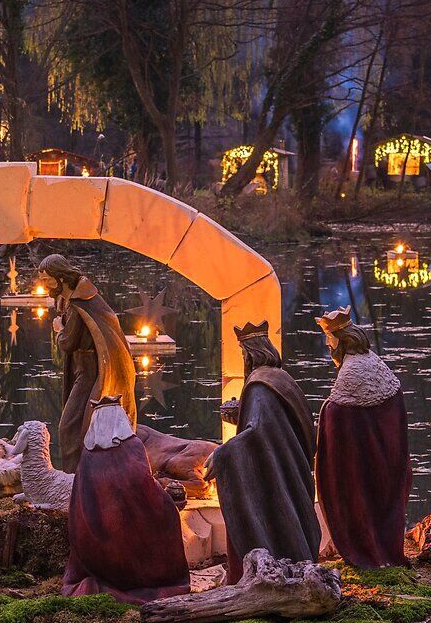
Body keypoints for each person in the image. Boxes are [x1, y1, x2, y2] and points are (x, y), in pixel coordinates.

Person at [209, 322, 320, 582]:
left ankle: (265, 573)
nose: (243, 359)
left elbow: (258, 432)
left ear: (250, 354)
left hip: (275, 472)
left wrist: (223, 454)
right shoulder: (280, 378)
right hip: (290, 465)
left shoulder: (259, 386)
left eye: (243, 354)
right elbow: (276, 425)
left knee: (270, 516)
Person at [62, 397, 189, 603]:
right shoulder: (133, 446)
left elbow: (78, 503)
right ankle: (150, 578)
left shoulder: (87, 455)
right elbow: (146, 489)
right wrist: (166, 500)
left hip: (96, 548)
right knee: (169, 516)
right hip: (132, 541)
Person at [315, 309, 410, 569]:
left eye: (330, 338)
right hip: (386, 463)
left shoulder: (351, 374)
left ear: (340, 339)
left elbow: (339, 421)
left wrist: (327, 414)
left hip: (367, 465)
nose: (327, 344)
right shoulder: (375, 362)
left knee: (359, 496)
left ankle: (365, 550)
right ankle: (384, 549)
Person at [38, 253, 135, 473]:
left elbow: (68, 342)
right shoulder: (73, 299)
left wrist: (58, 330)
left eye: (47, 280)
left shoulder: (79, 303)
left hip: (90, 373)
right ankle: (83, 475)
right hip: (83, 370)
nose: (45, 285)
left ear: (60, 277)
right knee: (80, 425)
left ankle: (75, 478)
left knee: (69, 426)